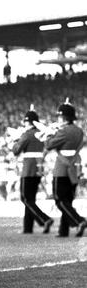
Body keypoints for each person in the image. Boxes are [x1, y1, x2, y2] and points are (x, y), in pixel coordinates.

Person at [44, 98, 87, 237]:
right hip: (74, 167)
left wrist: (50, 133)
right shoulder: (79, 131)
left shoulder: (63, 132)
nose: (58, 118)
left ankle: (79, 221)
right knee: (68, 200)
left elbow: (49, 145)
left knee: (59, 200)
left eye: (60, 116)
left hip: (62, 168)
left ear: (64, 117)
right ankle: (64, 230)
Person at [12, 105, 54, 234]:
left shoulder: (27, 134)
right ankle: (28, 228)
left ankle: (44, 219)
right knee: (30, 199)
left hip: (28, 169)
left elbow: (16, 151)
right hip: (39, 168)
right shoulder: (41, 133)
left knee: (25, 198)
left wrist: (16, 139)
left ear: (27, 122)